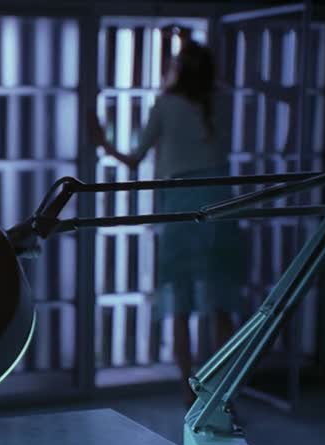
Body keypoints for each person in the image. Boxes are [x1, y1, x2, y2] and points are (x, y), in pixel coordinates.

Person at [92, 40, 246, 408]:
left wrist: (101, 141)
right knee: (221, 303)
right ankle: (224, 392)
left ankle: (188, 390)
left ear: (177, 70)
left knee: (180, 302)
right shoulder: (221, 101)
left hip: (181, 207)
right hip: (222, 204)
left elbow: (134, 159)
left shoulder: (165, 104)